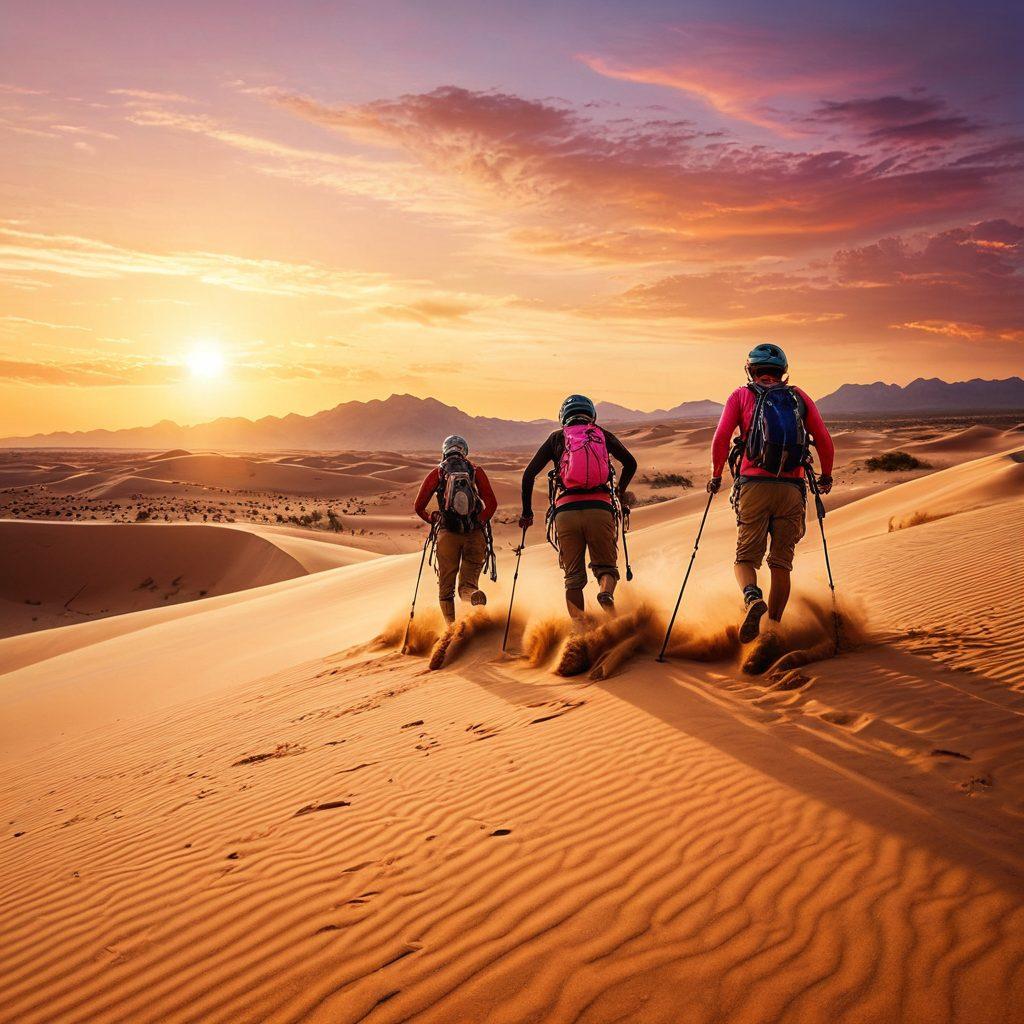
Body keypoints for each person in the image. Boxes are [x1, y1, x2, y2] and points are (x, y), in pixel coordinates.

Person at [708, 344, 834, 664]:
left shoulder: (741, 396)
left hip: (754, 486)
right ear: (783, 371)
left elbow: (722, 437)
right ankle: (772, 632)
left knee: (744, 558)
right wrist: (827, 475)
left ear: (750, 370)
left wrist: (716, 475)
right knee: (781, 563)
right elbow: (823, 438)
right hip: (791, 489)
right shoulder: (798, 398)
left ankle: (752, 597)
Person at [519, 395, 637, 619]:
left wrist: (527, 512)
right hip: (600, 509)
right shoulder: (601, 434)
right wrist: (619, 493)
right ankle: (605, 593)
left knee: (573, 579)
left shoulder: (556, 438)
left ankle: (580, 633)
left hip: (565, 513)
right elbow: (631, 463)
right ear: (592, 414)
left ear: (563, 416)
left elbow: (528, 475)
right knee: (606, 569)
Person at [414, 434, 498, 625]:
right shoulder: (476, 471)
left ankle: (451, 629)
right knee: (467, 585)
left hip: (447, 535)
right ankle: (472, 595)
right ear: (464, 452)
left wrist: (432, 518)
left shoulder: (437, 473)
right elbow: (492, 504)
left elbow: (418, 507)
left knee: (446, 589)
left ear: (445, 452)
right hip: (474, 535)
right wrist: (478, 522)